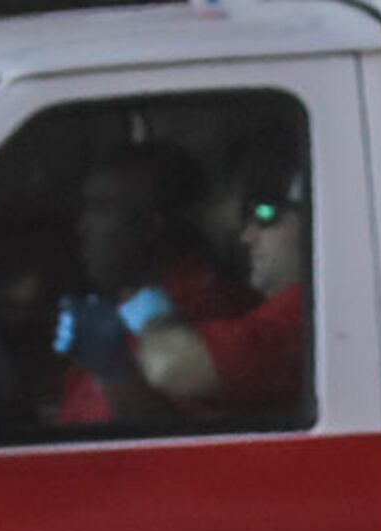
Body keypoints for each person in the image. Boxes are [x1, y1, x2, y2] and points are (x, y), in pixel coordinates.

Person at [50, 142, 250, 429]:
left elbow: (188, 445)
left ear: (149, 226)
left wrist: (112, 370)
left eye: (101, 209)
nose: (83, 227)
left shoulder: (205, 315)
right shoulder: (126, 306)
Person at [137, 149, 312, 417]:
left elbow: (171, 365)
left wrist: (149, 313)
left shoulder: (306, 312)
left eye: (266, 215)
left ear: (315, 219)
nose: (247, 237)